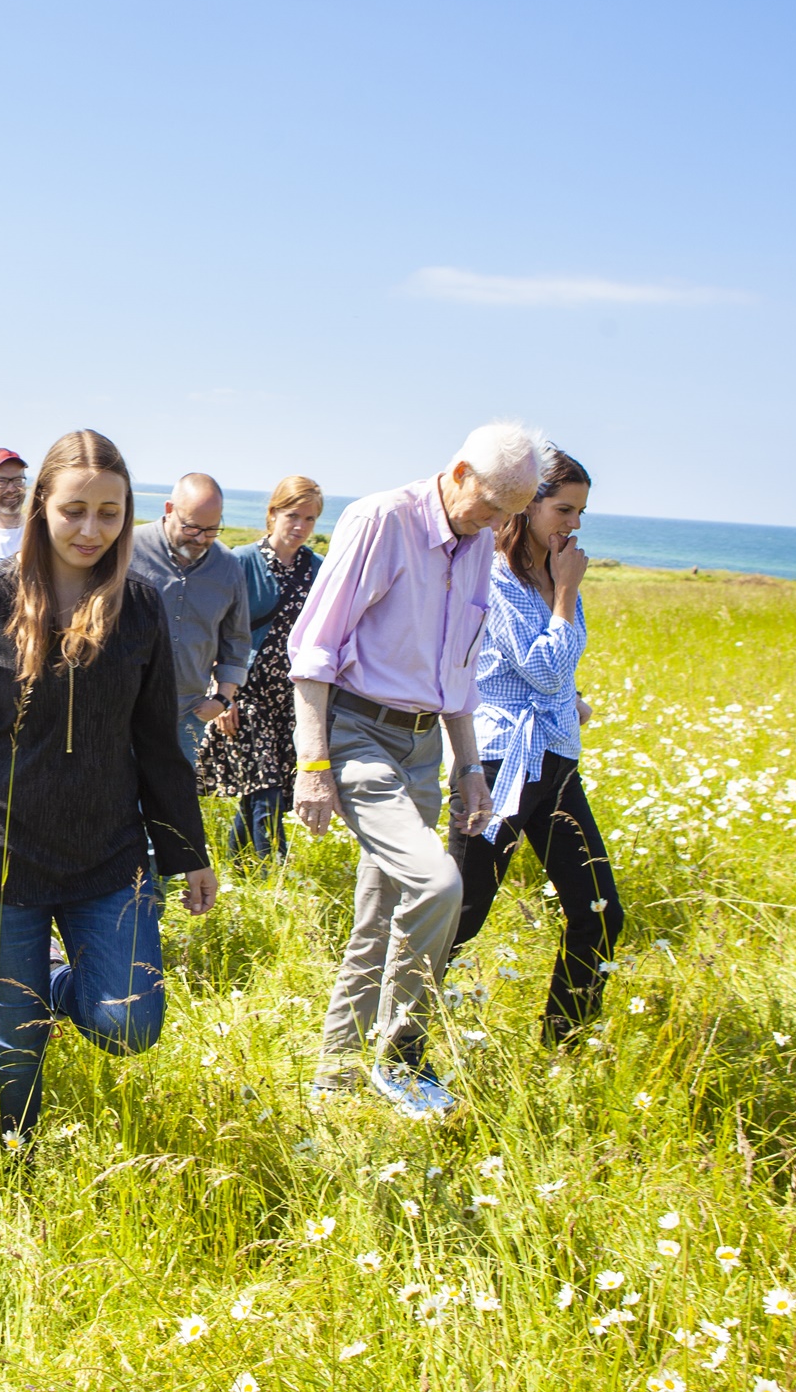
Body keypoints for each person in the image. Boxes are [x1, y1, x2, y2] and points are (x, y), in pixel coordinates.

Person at [0, 430, 219, 1141]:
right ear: (42, 504)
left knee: (129, 1023)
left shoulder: (140, 607)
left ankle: (53, 982)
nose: (91, 529)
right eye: (75, 509)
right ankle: (10, 1173)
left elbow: (158, 742)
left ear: (129, 514)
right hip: (0, 858)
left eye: (109, 513)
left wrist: (186, 851)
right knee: (14, 1052)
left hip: (109, 859)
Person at [289, 421, 542, 1116]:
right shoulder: (382, 519)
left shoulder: (480, 540)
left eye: (508, 516)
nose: (493, 524)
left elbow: (458, 670)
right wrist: (312, 765)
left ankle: (333, 1080)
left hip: (426, 747)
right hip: (359, 734)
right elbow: (312, 649)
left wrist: (470, 767)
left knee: (377, 919)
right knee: (437, 883)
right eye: (489, 506)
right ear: (460, 472)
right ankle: (399, 1053)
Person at [447, 448, 623, 1044]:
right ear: (528, 506)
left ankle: (562, 1049)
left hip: (556, 759)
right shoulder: (496, 576)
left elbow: (553, 674)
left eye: (580, 513)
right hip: (499, 763)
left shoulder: (552, 571)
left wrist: (570, 697)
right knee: (462, 917)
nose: (572, 525)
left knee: (599, 910)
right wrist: (567, 594)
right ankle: (398, 1039)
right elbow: (545, 667)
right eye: (563, 509)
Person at [197, 475, 325, 861]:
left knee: (267, 789)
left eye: (310, 519)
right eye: (292, 515)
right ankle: (275, 875)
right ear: (272, 514)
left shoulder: (318, 571)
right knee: (266, 790)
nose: (300, 526)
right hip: (245, 694)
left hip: (290, 698)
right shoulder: (239, 562)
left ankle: (238, 867)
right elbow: (212, 631)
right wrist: (220, 696)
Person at [129, 473, 249, 767]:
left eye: (211, 530)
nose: (200, 539)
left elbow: (237, 640)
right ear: (170, 509)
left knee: (171, 807)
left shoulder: (229, 566)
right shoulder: (127, 548)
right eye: (192, 527)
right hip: (125, 712)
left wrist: (221, 700)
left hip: (188, 716)